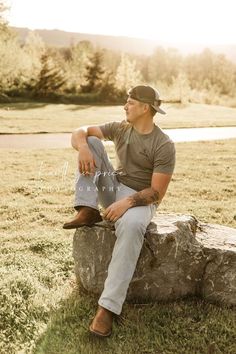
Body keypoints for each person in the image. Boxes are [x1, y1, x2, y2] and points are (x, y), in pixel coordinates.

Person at [63, 85, 176, 337]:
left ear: (146, 108)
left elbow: (156, 193)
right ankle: (87, 208)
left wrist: (126, 203)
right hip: (113, 185)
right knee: (91, 141)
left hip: (140, 198)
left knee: (133, 226)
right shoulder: (121, 128)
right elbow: (80, 131)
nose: (125, 106)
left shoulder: (164, 144)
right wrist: (82, 147)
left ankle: (108, 308)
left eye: (130, 103)